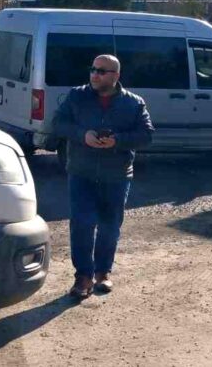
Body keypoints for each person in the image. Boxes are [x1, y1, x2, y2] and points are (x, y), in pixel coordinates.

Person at [52, 54, 153, 299]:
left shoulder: (134, 103)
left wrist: (117, 141)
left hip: (116, 175)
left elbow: (146, 135)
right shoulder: (77, 95)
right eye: (93, 69)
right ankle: (83, 276)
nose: (95, 74)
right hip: (81, 173)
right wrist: (82, 134)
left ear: (116, 76)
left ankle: (103, 273)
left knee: (109, 227)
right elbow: (57, 123)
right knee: (82, 224)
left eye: (101, 71)